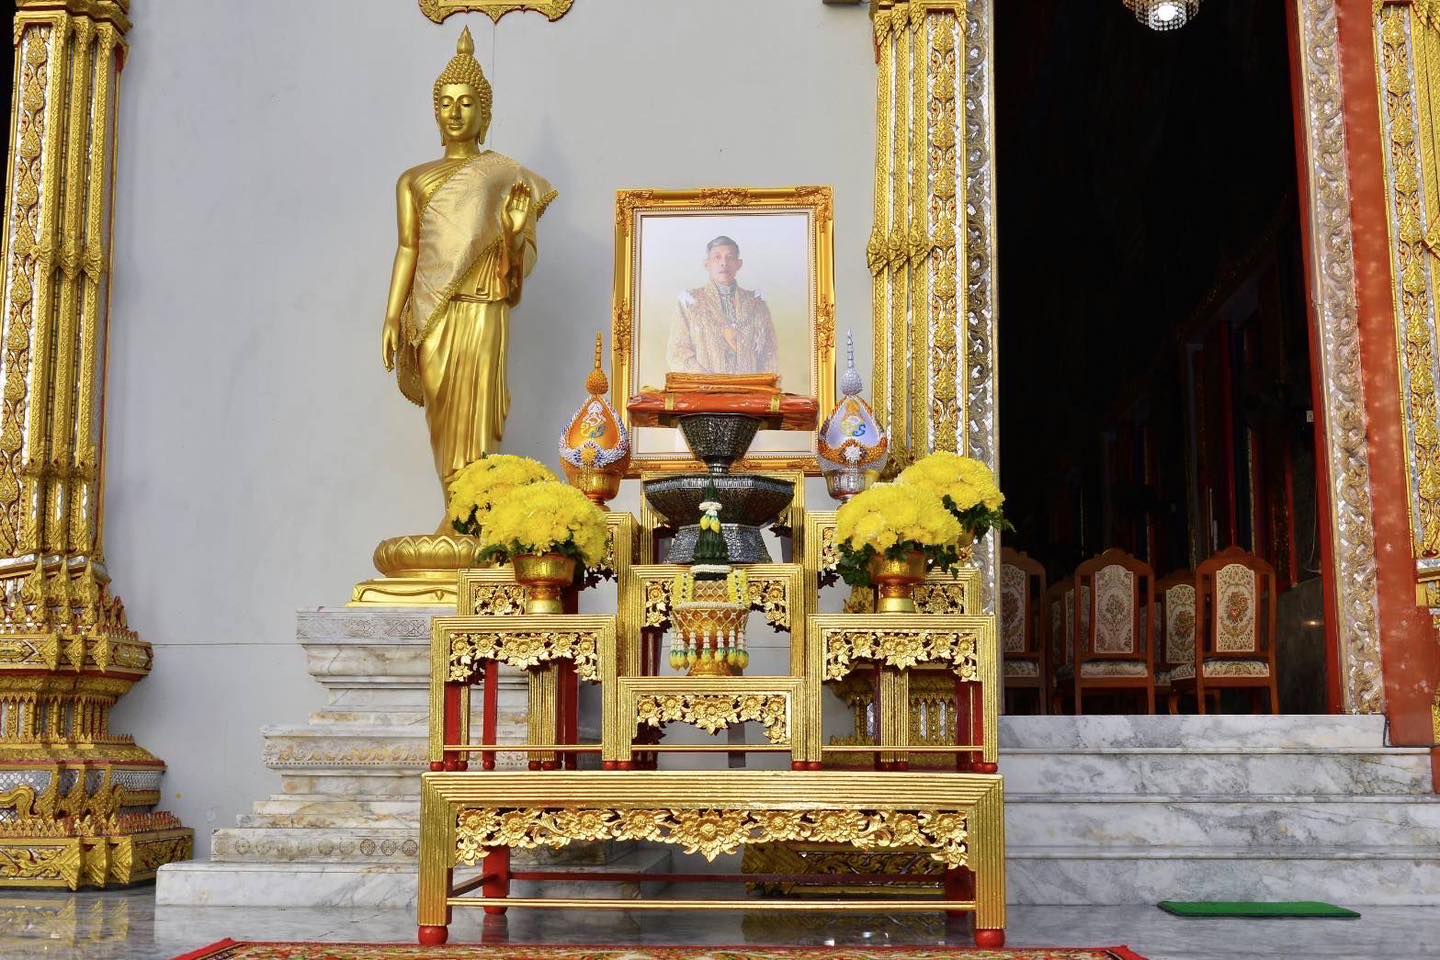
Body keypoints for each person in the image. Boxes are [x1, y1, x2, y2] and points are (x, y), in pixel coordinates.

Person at [379, 27, 556, 510]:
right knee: (441, 413)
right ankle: (453, 511)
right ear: (435, 113)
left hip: (483, 306)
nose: (454, 113)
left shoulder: (507, 176)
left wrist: (515, 235)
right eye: (445, 104)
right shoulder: (413, 180)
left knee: (478, 414)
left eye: (466, 103)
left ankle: (473, 517)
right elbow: (408, 248)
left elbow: (524, 258)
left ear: (485, 113)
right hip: (431, 312)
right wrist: (392, 315)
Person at [666, 236, 779, 376]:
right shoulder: (690, 302)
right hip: (704, 387)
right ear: (707, 264)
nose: (724, 263)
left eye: (730, 258)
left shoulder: (756, 304)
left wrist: (756, 385)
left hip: (748, 387)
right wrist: (711, 382)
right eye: (717, 257)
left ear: (739, 264)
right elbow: (677, 353)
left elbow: (769, 354)